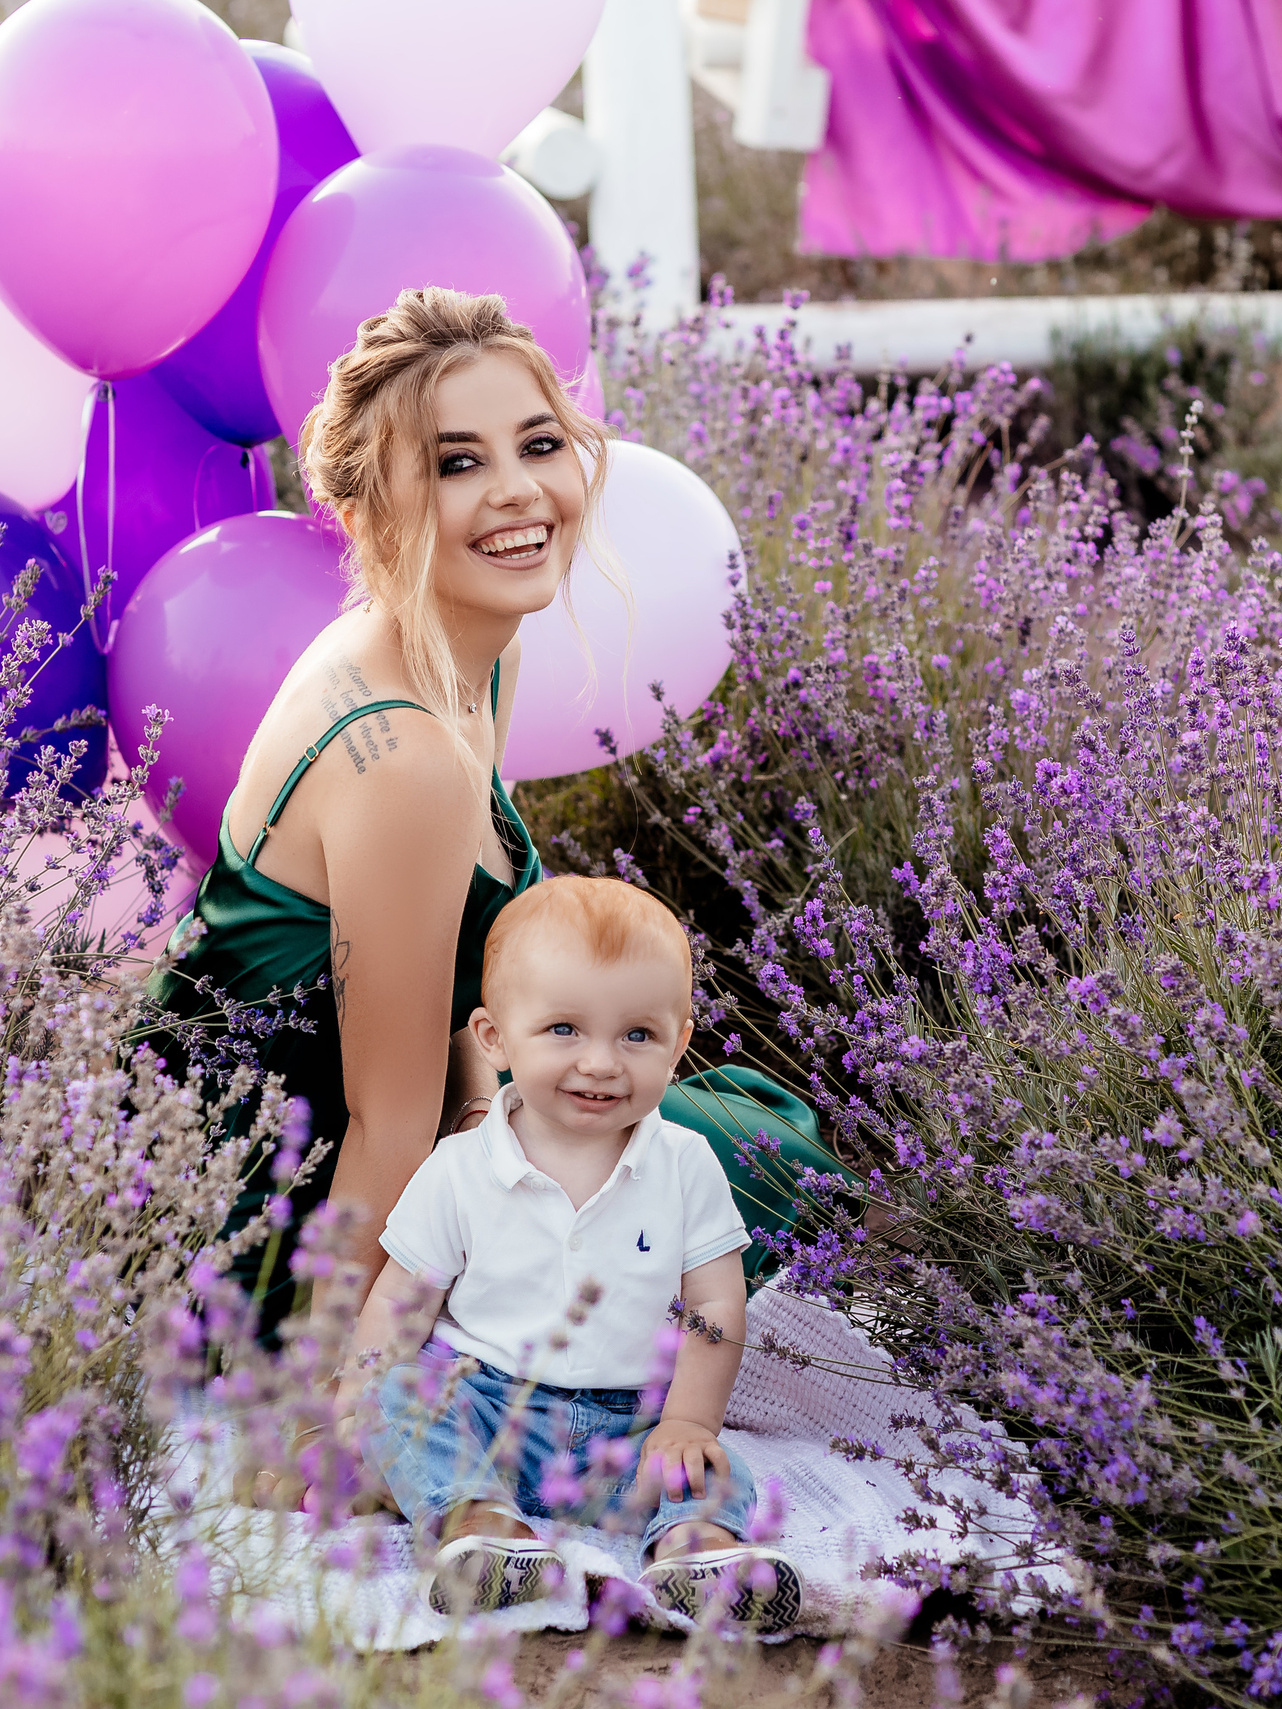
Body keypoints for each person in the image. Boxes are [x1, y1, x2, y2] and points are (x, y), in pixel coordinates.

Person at [143, 288, 595, 1333]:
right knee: (724, 1171)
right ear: (361, 517)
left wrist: (489, 1106)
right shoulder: (406, 757)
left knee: (689, 1141)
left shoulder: (472, 652)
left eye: (538, 442)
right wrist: (323, 1403)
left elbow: (444, 983)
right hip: (249, 1222)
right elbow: (384, 1127)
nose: (520, 491)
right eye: (455, 463)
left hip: (359, 1145)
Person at [337, 876, 801, 1628]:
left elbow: (716, 1302)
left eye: (637, 1035)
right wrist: (358, 1388)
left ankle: (695, 1544)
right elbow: (401, 1296)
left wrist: (687, 1421)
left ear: (680, 1043)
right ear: (494, 1038)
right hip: (488, 1404)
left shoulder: (684, 1165)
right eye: (564, 1029)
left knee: (712, 1468)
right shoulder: (461, 1166)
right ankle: (479, 1521)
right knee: (399, 1400)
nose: (600, 1063)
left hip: (625, 1432)